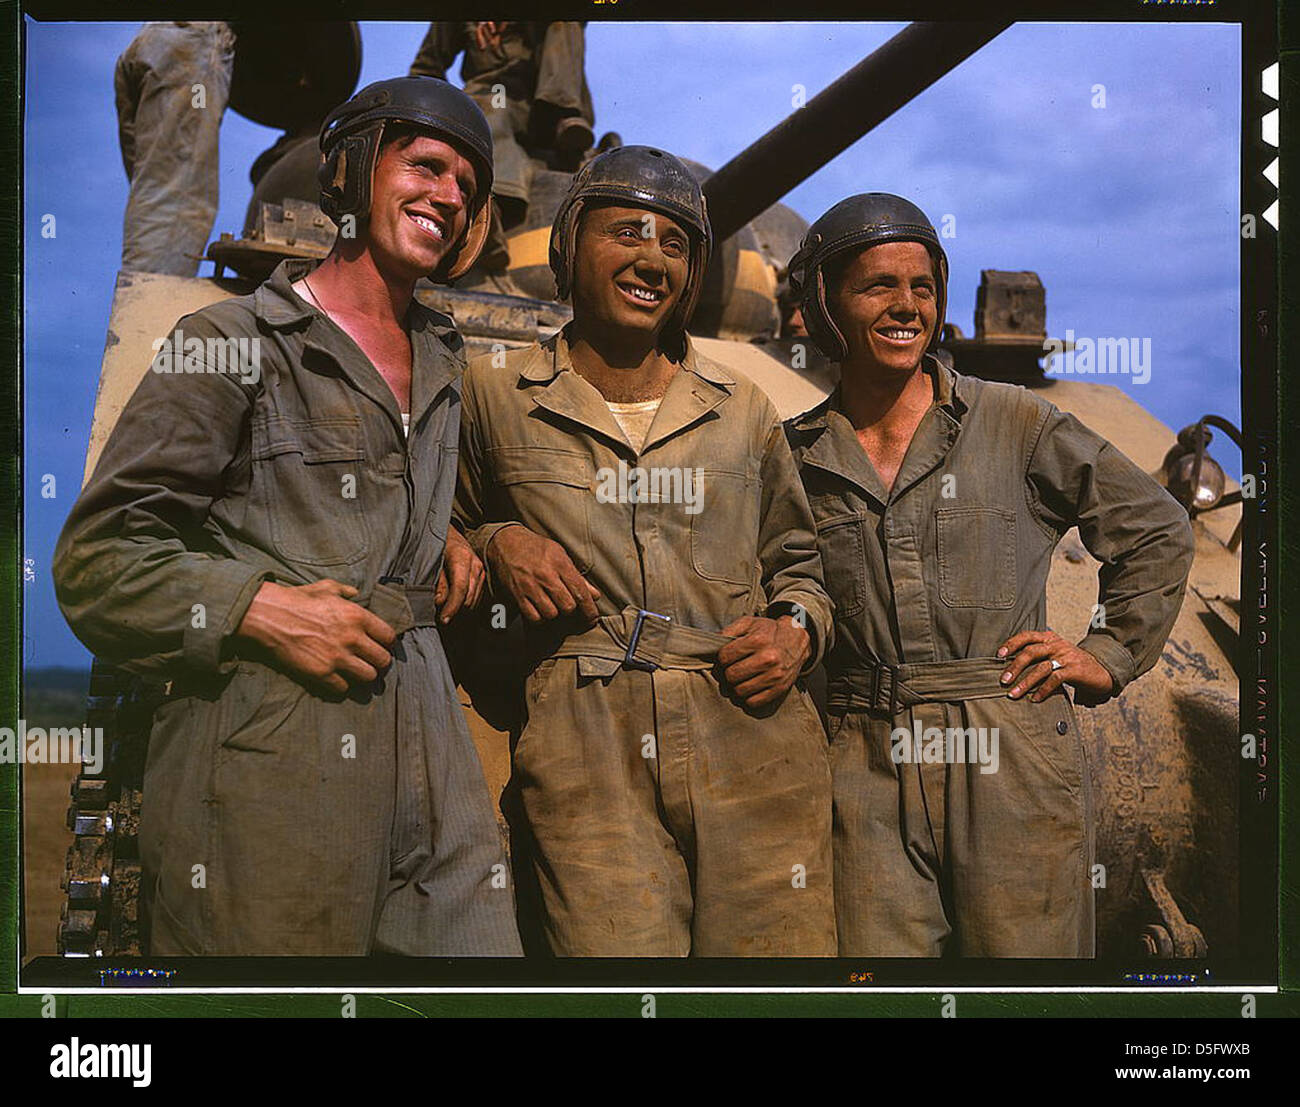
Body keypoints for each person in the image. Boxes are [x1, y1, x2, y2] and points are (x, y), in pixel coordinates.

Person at [53, 76, 523, 957]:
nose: (451, 196)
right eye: (425, 165)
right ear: (348, 172)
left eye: (469, 183)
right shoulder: (229, 341)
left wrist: (455, 533)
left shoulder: (445, 360)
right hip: (276, 742)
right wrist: (261, 607)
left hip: (434, 750)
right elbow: (99, 562)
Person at [784, 193, 1196, 957]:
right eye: (878, 286)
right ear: (824, 303)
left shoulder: (1012, 422)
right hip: (861, 762)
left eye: (923, 287)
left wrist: (1104, 655)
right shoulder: (795, 454)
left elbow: (1158, 528)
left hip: (1007, 750)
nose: (907, 306)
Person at [454, 146, 837, 957]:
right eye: (626, 230)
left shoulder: (744, 408)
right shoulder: (492, 394)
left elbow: (800, 566)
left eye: (675, 243)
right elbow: (427, 535)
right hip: (585, 742)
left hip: (753, 733)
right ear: (568, 247)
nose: (651, 258)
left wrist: (796, 628)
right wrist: (497, 539)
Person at [411, 21, 596, 274]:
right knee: (489, 116)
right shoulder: (462, 2)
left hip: (545, 110)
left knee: (565, 18)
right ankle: (485, 218)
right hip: (491, 94)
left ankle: (565, 114)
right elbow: (426, 68)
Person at [114, 21, 236, 275]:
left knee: (155, 187)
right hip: (192, 46)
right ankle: (150, 311)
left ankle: (143, 300)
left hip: (156, 41)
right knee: (176, 197)